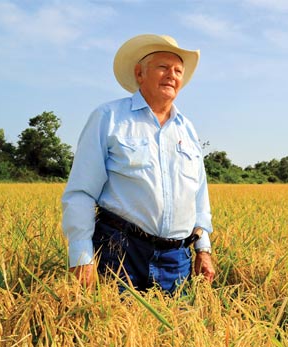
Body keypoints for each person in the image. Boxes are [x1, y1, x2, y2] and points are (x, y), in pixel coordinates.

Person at [62, 34, 215, 293]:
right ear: (139, 73)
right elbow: (82, 192)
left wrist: (203, 249)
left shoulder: (187, 130)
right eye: (163, 67)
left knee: (175, 331)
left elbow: (199, 196)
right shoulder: (108, 117)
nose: (172, 75)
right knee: (113, 331)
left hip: (176, 260)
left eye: (178, 70)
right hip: (119, 252)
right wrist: (81, 255)